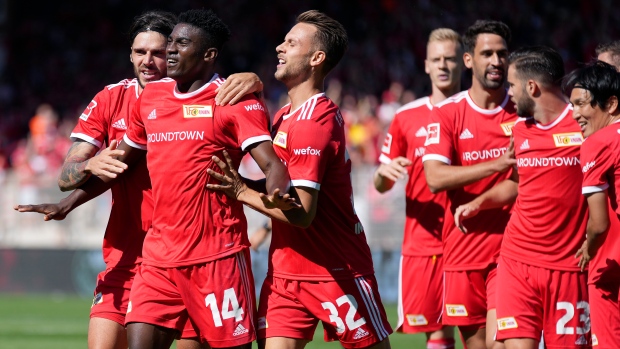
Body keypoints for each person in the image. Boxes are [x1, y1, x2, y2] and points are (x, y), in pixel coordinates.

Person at [17, 8, 290, 349]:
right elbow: (97, 168)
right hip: (145, 257)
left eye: (164, 50)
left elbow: (272, 163)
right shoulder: (133, 100)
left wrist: (278, 191)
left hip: (212, 256)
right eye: (141, 52)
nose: (155, 58)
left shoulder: (228, 98)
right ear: (129, 55)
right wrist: (70, 198)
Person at [207, 10, 393, 349]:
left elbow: (303, 213)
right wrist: (239, 185)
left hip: (335, 270)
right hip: (286, 274)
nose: (279, 47)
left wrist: (238, 191)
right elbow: (285, 190)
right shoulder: (285, 115)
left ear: (316, 58)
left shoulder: (312, 122)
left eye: (291, 43)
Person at [455, 46, 592, 349]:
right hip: (517, 261)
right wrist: (479, 203)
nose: (509, 93)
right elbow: (518, 184)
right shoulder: (519, 129)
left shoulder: (584, 128)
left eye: (512, 85)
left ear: (532, 87)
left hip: (567, 266)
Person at [421, 20, 516, 349]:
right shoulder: (448, 114)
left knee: (499, 344)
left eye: (502, 54)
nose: (496, 61)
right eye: (487, 53)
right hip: (462, 251)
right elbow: (434, 177)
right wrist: (496, 164)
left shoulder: (520, 113)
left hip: (510, 251)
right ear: (468, 60)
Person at [373, 28, 462, 349]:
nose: (443, 65)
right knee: (436, 334)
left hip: (472, 238)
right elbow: (381, 183)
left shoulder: (477, 111)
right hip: (423, 241)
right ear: (425, 64)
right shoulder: (405, 117)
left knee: (479, 332)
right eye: (436, 59)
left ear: (463, 62)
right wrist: (384, 173)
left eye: (450, 59)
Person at [564, 60, 620, 349]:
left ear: (610, 104)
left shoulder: (598, 143)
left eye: (582, 104)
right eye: (572, 105)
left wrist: (589, 247)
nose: (575, 115)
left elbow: (599, 224)